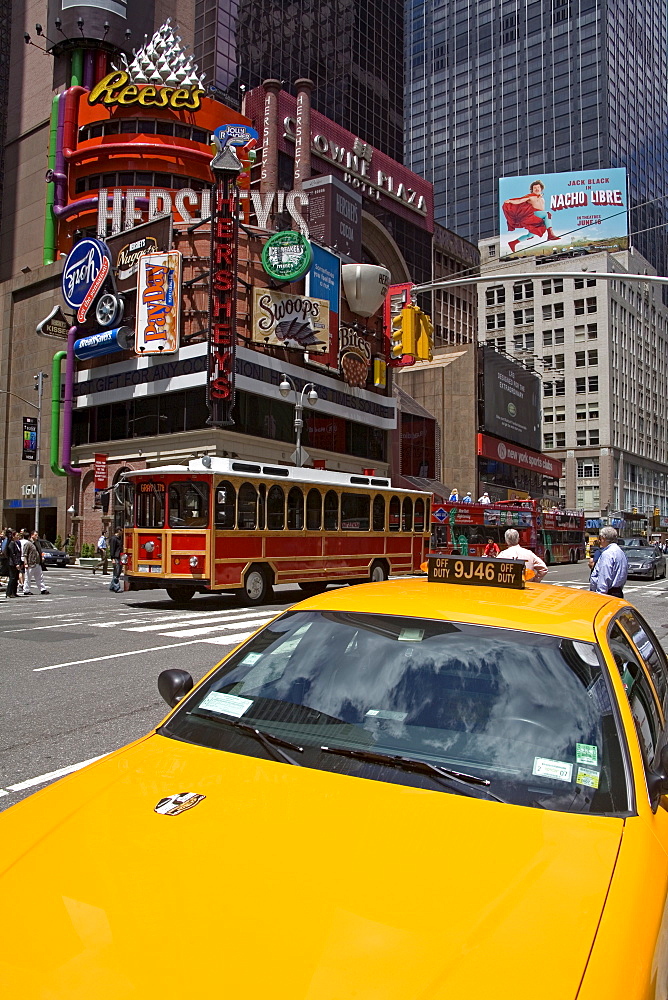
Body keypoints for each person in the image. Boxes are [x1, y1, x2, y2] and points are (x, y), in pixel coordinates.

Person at [502, 180, 560, 253]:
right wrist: (510, 201)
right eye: (534, 188)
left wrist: (544, 221)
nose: (536, 189)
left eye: (538, 187)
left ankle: (513, 243)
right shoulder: (531, 196)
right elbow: (520, 200)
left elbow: (542, 210)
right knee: (547, 214)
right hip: (531, 215)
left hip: (537, 218)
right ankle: (550, 234)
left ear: (541, 188)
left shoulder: (542, 199)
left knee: (530, 235)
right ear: (532, 190)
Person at [589, 526, 628, 598]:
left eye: (600, 538)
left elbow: (605, 576)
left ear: (603, 538)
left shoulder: (607, 554)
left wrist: (600, 595)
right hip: (618, 591)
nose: (599, 541)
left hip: (607, 594)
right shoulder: (620, 552)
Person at [6, 531, 23, 598]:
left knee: (15, 578)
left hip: (16, 562)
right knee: (12, 578)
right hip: (12, 563)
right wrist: (16, 563)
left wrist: (20, 563)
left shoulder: (16, 543)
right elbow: (13, 555)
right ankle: (9, 593)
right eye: (17, 535)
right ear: (13, 536)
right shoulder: (11, 543)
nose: (18, 536)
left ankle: (14, 592)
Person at [109, 528, 124, 593]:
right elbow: (112, 549)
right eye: (121, 531)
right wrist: (112, 558)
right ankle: (117, 587)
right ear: (118, 531)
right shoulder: (114, 539)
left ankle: (112, 586)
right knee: (116, 573)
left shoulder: (119, 538)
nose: (122, 532)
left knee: (118, 572)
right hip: (116, 557)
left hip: (119, 557)